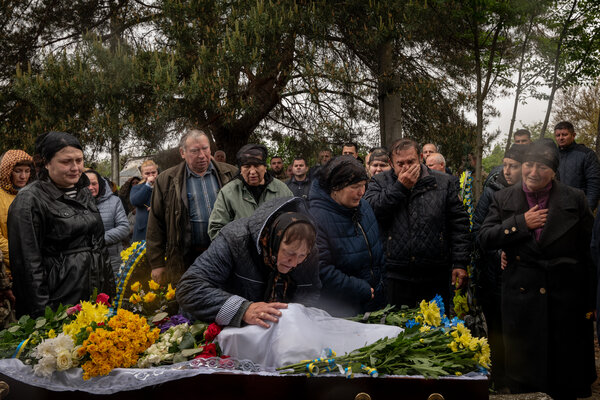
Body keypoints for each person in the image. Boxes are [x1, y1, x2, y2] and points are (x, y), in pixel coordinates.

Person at [478, 139, 596, 399]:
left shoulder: (574, 199)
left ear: (554, 171)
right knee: (526, 379)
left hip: (565, 301)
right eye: (529, 164)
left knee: (564, 377)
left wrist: (591, 301)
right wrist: (520, 223)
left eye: (542, 166)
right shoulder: (503, 197)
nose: (533, 172)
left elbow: (589, 253)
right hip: (522, 303)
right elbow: (485, 237)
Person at [8, 131, 115, 317]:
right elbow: (27, 264)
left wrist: (109, 293)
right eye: (66, 162)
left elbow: (99, 245)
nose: (75, 167)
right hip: (59, 302)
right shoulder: (29, 200)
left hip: (94, 297)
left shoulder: (85, 193)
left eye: (79, 160)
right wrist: (43, 314)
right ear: (47, 163)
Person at [177, 197, 321, 328]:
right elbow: (189, 288)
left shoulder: (308, 250)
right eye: (289, 253)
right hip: (214, 328)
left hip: (265, 333)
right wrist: (242, 309)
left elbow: (309, 291)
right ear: (275, 242)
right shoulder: (236, 239)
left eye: (301, 256)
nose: (295, 263)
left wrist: (293, 316)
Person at [364, 138, 470, 308]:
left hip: (435, 272)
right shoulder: (379, 182)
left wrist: (460, 262)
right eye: (400, 163)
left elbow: (459, 223)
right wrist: (400, 187)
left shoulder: (444, 182)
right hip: (395, 274)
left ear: (420, 158)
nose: (406, 168)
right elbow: (371, 212)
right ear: (391, 163)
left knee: (436, 329)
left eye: (411, 162)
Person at [146, 129, 237, 286]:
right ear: (182, 152)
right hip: (186, 258)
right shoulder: (166, 180)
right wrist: (157, 264)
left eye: (205, 148)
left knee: (225, 301)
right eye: (195, 151)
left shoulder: (231, 174)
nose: (201, 155)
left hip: (225, 255)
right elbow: (156, 223)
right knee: (190, 303)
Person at [471, 143, 526, 391]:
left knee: (518, 329)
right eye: (505, 165)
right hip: (493, 275)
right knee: (496, 328)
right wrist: (497, 253)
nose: (507, 171)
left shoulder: (530, 194)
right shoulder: (491, 191)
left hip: (522, 274)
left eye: (513, 166)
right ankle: (499, 377)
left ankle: (520, 377)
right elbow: (478, 232)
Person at [309, 156, 385, 317]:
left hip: (374, 299)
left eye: (364, 186)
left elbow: (376, 245)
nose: (361, 192)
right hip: (342, 308)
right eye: (355, 187)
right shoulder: (317, 218)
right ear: (335, 188)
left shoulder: (363, 206)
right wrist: (359, 288)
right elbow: (321, 270)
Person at [208, 144, 293, 240]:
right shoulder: (228, 193)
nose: (252, 171)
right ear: (240, 170)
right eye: (247, 166)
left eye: (257, 165)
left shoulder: (282, 190)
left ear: (265, 167)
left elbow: (293, 223)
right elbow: (215, 230)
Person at [86, 169, 129, 277]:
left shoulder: (114, 201)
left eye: (94, 184)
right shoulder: (75, 204)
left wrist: (99, 239)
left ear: (100, 183)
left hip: (112, 260)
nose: (90, 188)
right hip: (86, 262)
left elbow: (124, 227)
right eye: (87, 184)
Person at [554, 121, 600, 211]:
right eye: (558, 135)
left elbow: (594, 184)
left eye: (564, 134)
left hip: (578, 208)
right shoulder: (552, 155)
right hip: (556, 209)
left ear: (573, 135)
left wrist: (588, 210)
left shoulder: (586, 154)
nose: (561, 138)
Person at [0, 150, 34, 269]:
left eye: (27, 171)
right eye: (18, 171)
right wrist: (23, 259)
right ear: (7, 171)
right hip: (8, 270)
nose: (23, 176)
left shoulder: (34, 196)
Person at [130, 160, 159, 242]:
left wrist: (157, 208)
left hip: (160, 227)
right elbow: (135, 201)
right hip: (143, 229)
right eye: (147, 174)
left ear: (157, 172)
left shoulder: (163, 186)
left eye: (153, 172)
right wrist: (148, 185)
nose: (151, 175)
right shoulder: (137, 188)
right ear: (142, 175)